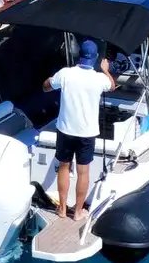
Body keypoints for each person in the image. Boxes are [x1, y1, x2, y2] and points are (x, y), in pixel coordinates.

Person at [42, 39, 114, 222]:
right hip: (87, 133)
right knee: (83, 172)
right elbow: (112, 86)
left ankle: (62, 209)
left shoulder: (65, 74)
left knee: (64, 167)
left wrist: (51, 80)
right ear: (96, 58)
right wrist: (105, 69)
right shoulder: (100, 78)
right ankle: (78, 212)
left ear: (78, 55)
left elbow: (46, 87)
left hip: (65, 129)